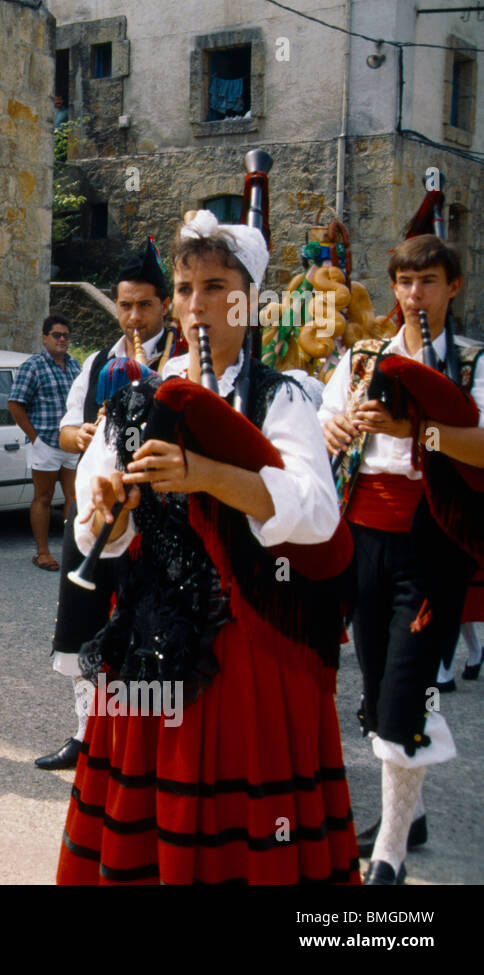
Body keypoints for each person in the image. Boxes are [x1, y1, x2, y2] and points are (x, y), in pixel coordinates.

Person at [57, 210, 360, 884]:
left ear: (249, 301)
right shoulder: (137, 399)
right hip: (148, 636)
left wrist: (209, 477)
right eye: (188, 287)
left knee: (240, 819)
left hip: (246, 644)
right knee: (148, 813)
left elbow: (314, 513)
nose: (198, 304)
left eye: (217, 286)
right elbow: (92, 519)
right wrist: (107, 504)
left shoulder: (281, 399)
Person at [319, 234, 484, 884]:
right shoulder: (363, 356)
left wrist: (418, 431)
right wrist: (335, 429)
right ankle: (406, 816)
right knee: (376, 681)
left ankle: (388, 849)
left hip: (432, 541)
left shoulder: (472, 363)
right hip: (364, 536)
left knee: (406, 688)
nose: (415, 294)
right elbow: (325, 424)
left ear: (453, 288)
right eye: (405, 282)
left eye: (428, 282)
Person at [35, 240, 180, 771]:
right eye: (124, 305)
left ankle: (142, 747)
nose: (133, 317)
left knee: (148, 628)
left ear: (165, 305)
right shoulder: (97, 361)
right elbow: (66, 426)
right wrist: (87, 435)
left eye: (144, 305)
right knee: (83, 618)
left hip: (156, 518)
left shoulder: (182, 360)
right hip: (95, 512)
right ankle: (85, 734)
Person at [8, 315, 80, 572]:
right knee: (44, 498)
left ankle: (74, 551)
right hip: (45, 443)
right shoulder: (33, 366)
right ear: (44, 338)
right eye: (57, 335)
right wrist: (35, 438)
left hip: (71, 443)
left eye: (66, 336)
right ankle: (42, 553)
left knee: (74, 497)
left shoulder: (74, 366)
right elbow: (15, 404)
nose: (62, 340)